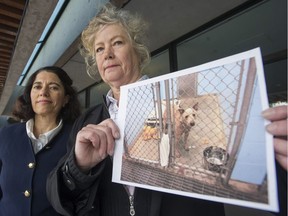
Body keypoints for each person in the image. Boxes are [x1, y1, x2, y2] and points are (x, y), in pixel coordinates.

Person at [46, 3, 287, 216]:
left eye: (117, 43)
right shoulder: (87, 122)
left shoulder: (174, 99)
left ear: (137, 49)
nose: (107, 54)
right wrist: (77, 167)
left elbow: (265, 184)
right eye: (99, 49)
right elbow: (60, 199)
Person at [0, 66, 81, 215]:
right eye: (37, 87)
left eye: (53, 87)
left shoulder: (77, 138)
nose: (43, 92)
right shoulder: (6, 136)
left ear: (66, 99)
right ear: (30, 95)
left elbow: (81, 194)